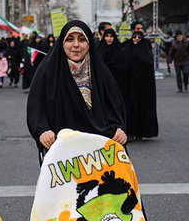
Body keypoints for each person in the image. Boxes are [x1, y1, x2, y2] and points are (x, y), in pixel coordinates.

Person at [27, 20, 128, 151]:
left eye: (81, 39)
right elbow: (36, 108)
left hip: (99, 150)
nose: (76, 45)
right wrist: (43, 131)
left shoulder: (100, 72)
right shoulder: (47, 72)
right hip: (62, 150)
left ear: (89, 43)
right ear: (62, 43)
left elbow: (115, 107)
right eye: (70, 39)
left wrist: (119, 129)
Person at [122, 30, 159, 141]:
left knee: (141, 108)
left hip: (143, 86)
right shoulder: (127, 48)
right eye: (134, 37)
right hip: (129, 85)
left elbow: (148, 65)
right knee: (130, 108)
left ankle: (140, 132)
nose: (136, 39)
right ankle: (130, 131)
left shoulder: (145, 50)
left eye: (139, 37)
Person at [98, 28, 130, 106]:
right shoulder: (99, 49)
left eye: (111, 36)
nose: (109, 39)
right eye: (107, 36)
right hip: (103, 83)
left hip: (117, 82)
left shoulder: (118, 49)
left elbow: (123, 67)